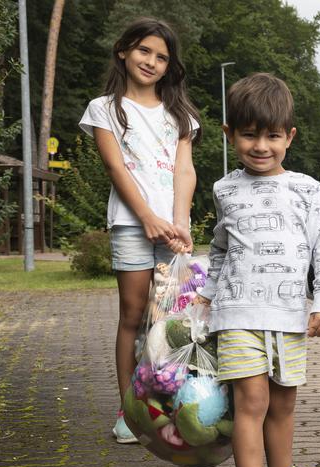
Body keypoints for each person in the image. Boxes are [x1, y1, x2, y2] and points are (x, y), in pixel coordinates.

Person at [195, 73, 320, 467]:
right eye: (249, 135)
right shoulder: (224, 189)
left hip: (289, 316)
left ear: (289, 137)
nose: (261, 146)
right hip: (237, 313)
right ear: (229, 134)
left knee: (283, 403)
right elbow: (220, 249)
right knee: (252, 401)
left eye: (272, 136)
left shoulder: (306, 188)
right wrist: (205, 297)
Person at [79, 18, 200, 444]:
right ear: (123, 51)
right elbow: (116, 167)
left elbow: (185, 170)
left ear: (170, 66)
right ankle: (129, 411)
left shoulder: (179, 114)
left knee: (167, 319)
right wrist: (148, 216)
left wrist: (179, 221)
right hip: (132, 225)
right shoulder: (104, 108)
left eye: (162, 57)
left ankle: (166, 403)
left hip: (173, 230)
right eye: (144, 51)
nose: (151, 61)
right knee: (132, 316)